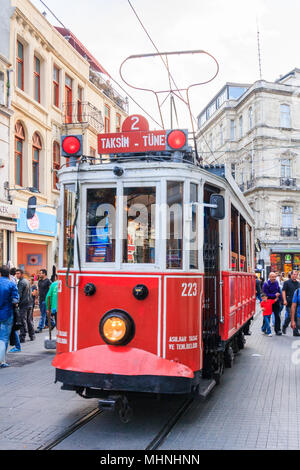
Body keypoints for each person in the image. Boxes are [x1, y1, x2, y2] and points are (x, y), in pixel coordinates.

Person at [0, 265, 19, 368]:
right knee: (3, 338)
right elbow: (15, 300)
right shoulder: (11, 284)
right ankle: (2, 361)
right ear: (9, 274)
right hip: (6, 314)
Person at [15, 268, 35, 343]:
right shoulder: (27, 281)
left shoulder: (21, 282)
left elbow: (19, 295)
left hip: (24, 304)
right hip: (29, 303)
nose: (17, 275)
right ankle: (32, 335)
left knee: (23, 320)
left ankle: (22, 337)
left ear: (22, 274)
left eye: (18, 273)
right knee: (29, 320)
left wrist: (17, 303)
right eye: (16, 273)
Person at [282, 270, 300, 336]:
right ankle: (284, 326)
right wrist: (284, 300)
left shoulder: (298, 284)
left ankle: (295, 332)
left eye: (296, 274)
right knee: (290, 316)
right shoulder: (286, 282)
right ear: (291, 275)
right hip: (289, 302)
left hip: (297, 303)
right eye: (294, 274)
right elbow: (283, 291)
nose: (295, 276)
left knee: (295, 316)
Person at [35, 269, 53, 333]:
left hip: (46, 300)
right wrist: (36, 299)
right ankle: (52, 323)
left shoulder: (48, 281)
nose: (39, 274)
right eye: (39, 273)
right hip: (41, 299)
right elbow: (38, 290)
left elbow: (51, 291)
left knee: (43, 314)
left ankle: (40, 327)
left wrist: (50, 300)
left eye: (40, 273)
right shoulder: (39, 281)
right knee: (45, 313)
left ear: (44, 274)